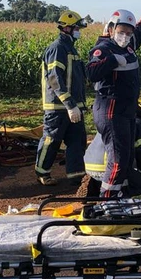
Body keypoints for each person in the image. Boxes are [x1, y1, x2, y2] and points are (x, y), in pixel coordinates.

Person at [86, 0, 141, 197]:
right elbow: (91, 73)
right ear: (111, 29)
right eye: (121, 31)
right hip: (111, 109)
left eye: (128, 32)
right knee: (118, 159)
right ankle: (107, 199)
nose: (125, 35)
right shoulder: (103, 49)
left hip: (126, 110)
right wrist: (112, 61)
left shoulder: (128, 44)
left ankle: (122, 194)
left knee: (127, 157)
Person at [34, 10, 88, 186]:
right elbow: (54, 78)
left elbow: (78, 78)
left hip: (74, 106)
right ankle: (42, 172)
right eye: (76, 28)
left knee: (77, 142)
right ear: (67, 28)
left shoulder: (71, 48)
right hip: (58, 106)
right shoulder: (57, 48)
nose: (79, 30)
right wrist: (69, 104)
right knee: (52, 140)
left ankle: (76, 177)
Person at [84, 98, 141, 198]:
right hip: (109, 168)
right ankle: (120, 196)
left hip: (89, 167)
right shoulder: (140, 123)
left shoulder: (117, 119)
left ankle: (97, 188)